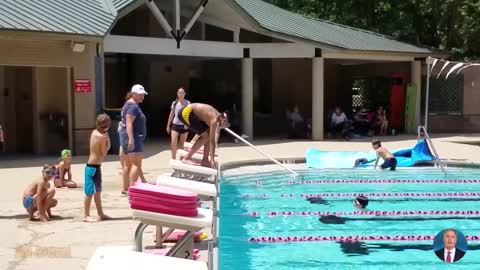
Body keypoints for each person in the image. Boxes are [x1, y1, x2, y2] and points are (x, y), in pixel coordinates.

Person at [178, 103, 229, 168]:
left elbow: (210, 137)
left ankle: (205, 160)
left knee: (207, 135)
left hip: (192, 113)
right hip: (186, 112)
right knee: (205, 137)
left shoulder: (217, 115)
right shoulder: (214, 119)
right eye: (224, 122)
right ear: (221, 119)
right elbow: (212, 141)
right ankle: (186, 158)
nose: (224, 124)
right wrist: (212, 159)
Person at [119, 84, 148, 190]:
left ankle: (125, 189)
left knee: (128, 165)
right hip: (134, 138)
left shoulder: (128, 104)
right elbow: (129, 122)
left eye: (143, 94)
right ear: (133, 94)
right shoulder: (133, 106)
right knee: (136, 165)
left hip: (127, 137)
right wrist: (131, 139)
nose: (142, 96)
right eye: (140, 94)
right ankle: (133, 190)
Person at [84, 114, 111, 222]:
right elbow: (104, 152)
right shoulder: (102, 137)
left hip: (93, 166)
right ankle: (86, 215)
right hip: (93, 168)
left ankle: (100, 213)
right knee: (90, 193)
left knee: (97, 192)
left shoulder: (94, 132)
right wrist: (108, 141)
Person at [166, 87, 191, 159]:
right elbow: (171, 114)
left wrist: (188, 124)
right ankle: (173, 158)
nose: (181, 94)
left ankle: (180, 159)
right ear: (177, 94)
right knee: (173, 143)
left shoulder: (188, 103)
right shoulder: (174, 103)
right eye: (179, 93)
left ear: (184, 94)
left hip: (184, 125)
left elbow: (190, 115)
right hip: (175, 125)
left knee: (182, 144)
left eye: (182, 93)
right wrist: (168, 125)